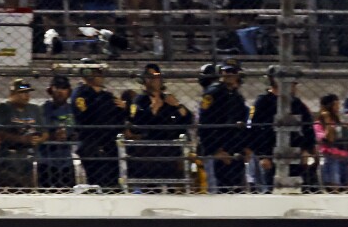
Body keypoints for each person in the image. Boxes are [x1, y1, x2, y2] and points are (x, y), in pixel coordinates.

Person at [127, 63, 192, 188]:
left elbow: (187, 119)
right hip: (149, 150)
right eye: (149, 76)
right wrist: (153, 109)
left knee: (172, 185)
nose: (154, 79)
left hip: (170, 149)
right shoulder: (140, 100)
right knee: (151, 186)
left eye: (156, 76)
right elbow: (136, 123)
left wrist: (177, 105)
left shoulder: (168, 99)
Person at [248, 73, 313, 192]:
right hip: (270, 152)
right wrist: (262, 155)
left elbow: (308, 127)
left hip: (293, 152)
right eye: (292, 84)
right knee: (270, 187)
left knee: (295, 188)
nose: (295, 88)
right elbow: (253, 129)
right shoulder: (263, 102)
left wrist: (306, 149)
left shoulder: (296, 102)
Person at [71, 60, 126, 189]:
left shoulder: (106, 95)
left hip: (109, 143)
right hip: (91, 142)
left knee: (112, 182)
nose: (101, 75)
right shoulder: (81, 93)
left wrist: (123, 108)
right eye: (97, 72)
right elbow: (85, 116)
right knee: (96, 181)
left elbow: (118, 118)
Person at [198, 62, 251, 193]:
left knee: (236, 189)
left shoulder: (236, 96)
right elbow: (204, 124)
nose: (229, 75)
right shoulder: (214, 92)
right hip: (218, 149)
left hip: (234, 148)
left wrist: (245, 146)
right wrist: (215, 150)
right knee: (218, 189)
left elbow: (241, 123)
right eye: (227, 71)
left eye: (233, 72)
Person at [0, 78, 44, 189]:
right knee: (7, 188)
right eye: (22, 93)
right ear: (12, 93)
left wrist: (38, 140)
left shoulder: (34, 109)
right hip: (6, 157)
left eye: (27, 92)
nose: (26, 95)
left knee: (28, 190)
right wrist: (22, 139)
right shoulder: (2, 108)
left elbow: (44, 132)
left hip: (28, 157)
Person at [39, 75, 77, 188]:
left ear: (69, 91)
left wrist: (71, 135)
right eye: (57, 88)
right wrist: (52, 136)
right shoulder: (43, 109)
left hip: (67, 161)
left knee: (69, 192)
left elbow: (78, 131)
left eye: (64, 88)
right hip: (47, 161)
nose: (60, 91)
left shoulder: (73, 110)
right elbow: (38, 133)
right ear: (51, 90)